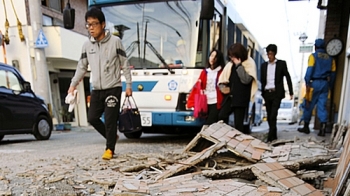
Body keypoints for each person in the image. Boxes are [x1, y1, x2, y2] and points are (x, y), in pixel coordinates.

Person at [67, 7, 132, 160]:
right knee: (92, 118)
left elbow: (125, 63)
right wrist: (73, 84)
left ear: (103, 24)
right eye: (88, 25)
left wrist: (128, 85)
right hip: (97, 88)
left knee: (110, 120)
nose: (91, 28)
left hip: (113, 88)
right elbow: (81, 66)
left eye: (94, 24)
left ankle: (110, 149)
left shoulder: (115, 42)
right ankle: (111, 137)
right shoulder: (87, 46)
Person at [298, 39, 336, 136]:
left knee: (308, 104)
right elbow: (333, 74)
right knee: (322, 106)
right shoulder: (331, 59)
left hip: (314, 84)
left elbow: (309, 70)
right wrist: (330, 85)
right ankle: (322, 128)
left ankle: (306, 126)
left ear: (315, 47)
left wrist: (307, 82)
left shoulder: (313, 56)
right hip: (325, 84)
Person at [218, 43, 258, 134]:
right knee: (222, 116)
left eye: (234, 56)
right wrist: (223, 87)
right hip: (230, 96)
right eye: (230, 56)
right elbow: (223, 79)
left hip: (241, 98)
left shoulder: (249, 63)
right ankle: (225, 136)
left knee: (238, 123)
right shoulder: (230, 65)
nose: (232, 58)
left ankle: (237, 144)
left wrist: (239, 65)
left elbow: (246, 80)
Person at [261, 44, 294, 142]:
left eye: (271, 53)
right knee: (269, 115)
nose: (269, 56)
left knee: (273, 115)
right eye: (268, 54)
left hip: (276, 93)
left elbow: (288, 77)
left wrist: (291, 92)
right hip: (267, 93)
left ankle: (270, 137)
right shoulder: (263, 66)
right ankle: (273, 135)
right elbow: (262, 80)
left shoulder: (281, 64)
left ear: (274, 53)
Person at [186, 49, 225, 125]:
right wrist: (191, 101)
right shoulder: (204, 72)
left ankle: (203, 137)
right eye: (211, 55)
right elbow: (198, 87)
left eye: (215, 57)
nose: (212, 58)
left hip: (216, 101)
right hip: (205, 101)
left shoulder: (221, 72)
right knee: (207, 123)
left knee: (210, 123)